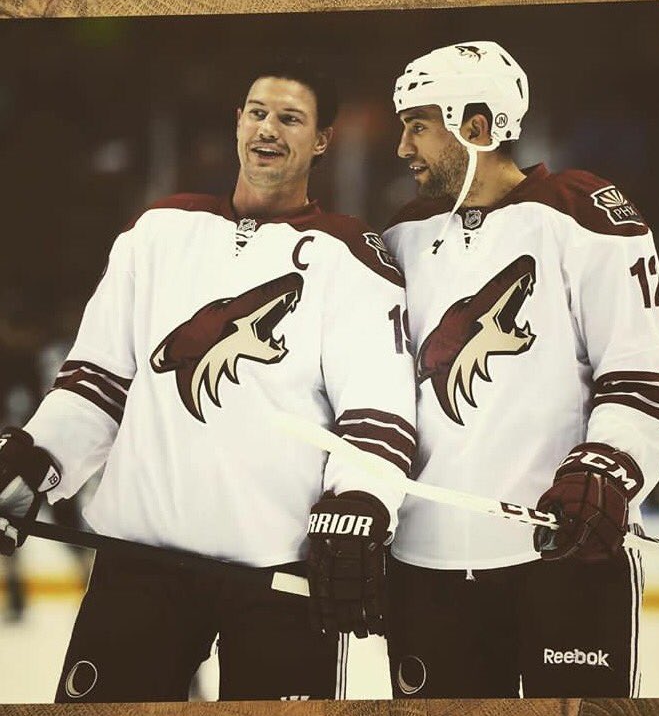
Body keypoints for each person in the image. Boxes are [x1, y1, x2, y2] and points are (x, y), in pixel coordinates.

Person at [0, 59, 415, 702]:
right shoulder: (157, 233)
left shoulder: (353, 257)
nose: (267, 129)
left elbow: (377, 415)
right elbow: (97, 383)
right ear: (237, 123)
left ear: (323, 140)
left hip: (279, 579)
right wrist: (36, 459)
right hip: (141, 568)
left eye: (290, 117)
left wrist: (361, 501)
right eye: (256, 112)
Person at [382, 41, 659, 698]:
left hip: (564, 557)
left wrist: (604, 471)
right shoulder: (399, 238)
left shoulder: (579, 212)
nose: (402, 147)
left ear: (476, 126)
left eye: (418, 125)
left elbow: (641, 376)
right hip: (422, 572)